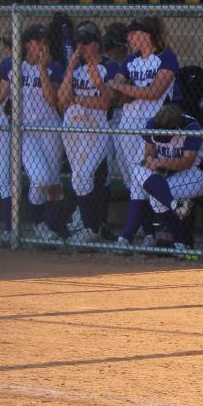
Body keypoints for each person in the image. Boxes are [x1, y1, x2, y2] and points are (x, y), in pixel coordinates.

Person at [0, 25, 69, 240]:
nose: (43, 45)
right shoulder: (13, 65)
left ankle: (53, 227)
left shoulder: (53, 66)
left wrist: (43, 69)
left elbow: (52, 100)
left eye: (45, 41)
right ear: (27, 43)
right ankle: (38, 223)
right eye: (38, 41)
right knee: (40, 178)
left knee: (53, 181)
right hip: (25, 131)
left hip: (50, 128)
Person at [107, 17, 179, 246]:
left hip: (152, 126)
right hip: (127, 125)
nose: (129, 38)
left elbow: (154, 93)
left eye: (133, 33)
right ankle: (148, 234)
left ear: (146, 34)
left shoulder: (166, 58)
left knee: (144, 178)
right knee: (134, 182)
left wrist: (123, 88)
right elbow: (115, 91)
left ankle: (127, 236)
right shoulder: (130, 60)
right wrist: (126, 89)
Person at [58, 22, 116, 243]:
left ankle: (90, 228)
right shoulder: (77, 68)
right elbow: (62, 99)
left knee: (82, 177)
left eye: (86, 43)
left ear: (96, 44)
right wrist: (71, 67)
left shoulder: (108, 67)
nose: (81, 47)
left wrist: (81, 98)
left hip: (97, 129)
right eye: (78, 43)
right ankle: (90, 225)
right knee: (80, 178)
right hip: (74, 129)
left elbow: (105, 103)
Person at [135, 103, 203, 253]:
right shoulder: (152, 123)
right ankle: (176, 212)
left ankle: (181, 240)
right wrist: (150, 162)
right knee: (138, 171)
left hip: (192, 176)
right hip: (165, 175)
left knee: (156, 197)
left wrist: (160, 162)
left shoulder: (191, 126)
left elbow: (187, 163)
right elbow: (148, 155)